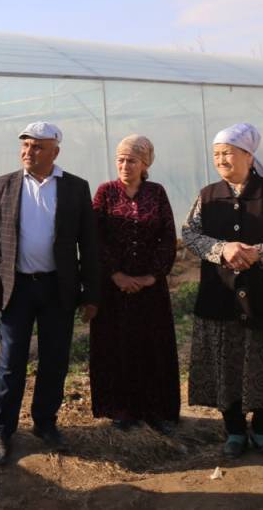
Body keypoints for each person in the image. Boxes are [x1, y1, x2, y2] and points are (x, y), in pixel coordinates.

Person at [181, 123, 263, 460]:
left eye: (227, 153)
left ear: (249, 156)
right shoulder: (208, 195)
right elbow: (190, 233)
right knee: (229, 364)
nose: (220, 160)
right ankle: (235, 431)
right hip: (220, 295)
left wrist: (260, 253)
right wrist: (221, 249)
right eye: (216, 154)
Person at [0, 121, 99, 465]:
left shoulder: (75, 188)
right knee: (11, 361)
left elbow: (89, 244)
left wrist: (91, 293)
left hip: (58, 287)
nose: (28, 152)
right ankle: (2, 429)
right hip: (16, 288)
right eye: (25, 145)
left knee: (55, 359)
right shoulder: (3, 185)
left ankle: (45, 423)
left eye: (37, 147)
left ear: (54, 152)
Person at [89, 135, 180, 434]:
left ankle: (156, 410)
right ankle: (121, 409)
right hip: (113, 288)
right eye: (121, 160)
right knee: (116, 345)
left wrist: (152, 276)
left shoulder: (156, 192)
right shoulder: (105, 192)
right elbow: (95, 237)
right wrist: (116, 275)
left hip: (150, 288)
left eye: (132, 160)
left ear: (145, 164)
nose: (125, 165)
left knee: (152, 345)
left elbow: (167, 236)